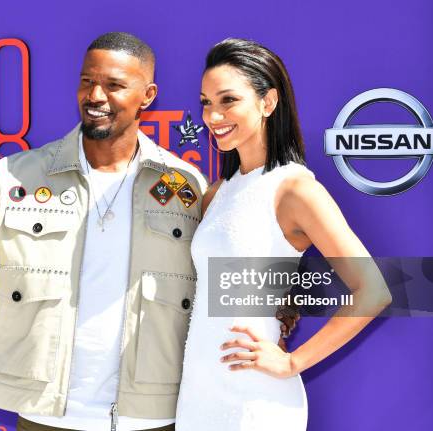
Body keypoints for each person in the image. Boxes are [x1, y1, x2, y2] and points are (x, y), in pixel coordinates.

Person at [0, 32, 297, 431]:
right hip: (44, 412)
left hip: (150, 414)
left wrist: (277, 314)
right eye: (88, 81)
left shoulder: (184, 184)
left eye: (115, 85)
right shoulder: (20, 173)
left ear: (148, 94)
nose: (96, 96)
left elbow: (223, 265)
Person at [175, 38, 392, 431]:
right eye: (206, 102)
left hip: (255, 404)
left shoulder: (294, 188)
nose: (213, 115)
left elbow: (373, 290)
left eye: (228, 100)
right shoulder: (217, 192)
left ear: (268, 102)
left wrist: (293, 362)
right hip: (198, 395)